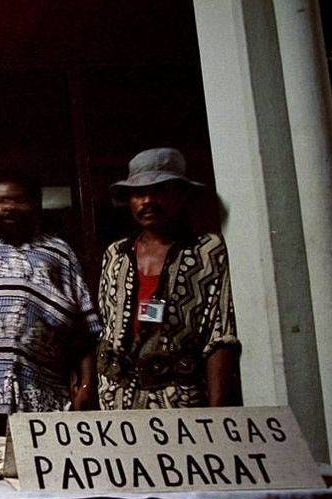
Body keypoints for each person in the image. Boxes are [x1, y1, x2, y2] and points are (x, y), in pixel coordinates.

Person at [0, 167, 101, 442]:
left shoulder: (60, 253)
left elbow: (84, 327)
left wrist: (86, 385)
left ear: (35, 206)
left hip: (48, 405)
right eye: (0, 201)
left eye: (19, 200)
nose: (9, 207)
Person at [98, 147, 240, 409]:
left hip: (180, 399)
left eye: (160, 191)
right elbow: (108, 327)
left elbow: (219, 334)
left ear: (182, 195)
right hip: (117, 400)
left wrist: (217, 412)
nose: (147, 201)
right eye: (139, 193)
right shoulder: (116, 254)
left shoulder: (206, 251)